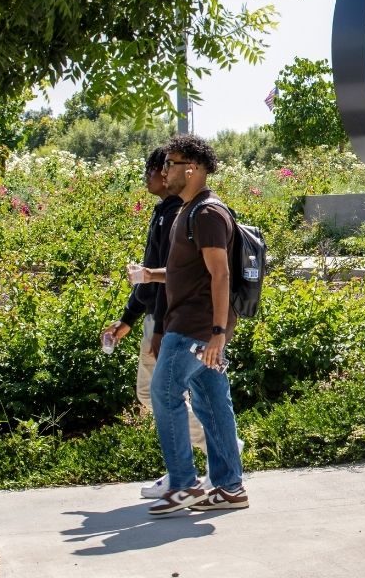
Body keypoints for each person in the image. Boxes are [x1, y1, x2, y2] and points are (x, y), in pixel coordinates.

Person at [133, 134, 248, 514]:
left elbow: (220, 275)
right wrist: (152, 275)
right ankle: (230, 487)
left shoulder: (208, 213)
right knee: (213, 403)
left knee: (165, 396)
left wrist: (217, 333)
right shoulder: (188, 210)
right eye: (164, 164)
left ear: (192, 168)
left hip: (195, 328)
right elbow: (190, 271)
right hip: (195, 325)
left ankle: (184, 484)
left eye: (171, 163)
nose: (164, 171)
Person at [102, 146, 209, 499]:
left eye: (153, 170)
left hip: (171, 322)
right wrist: (128, 318)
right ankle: (188, 466)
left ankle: (212, 451)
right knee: (160, 395)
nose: (149, 178)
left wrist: (162, 328)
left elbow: (171, 278)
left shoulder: (177, 213)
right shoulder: (164, 213)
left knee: (158, 394)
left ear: (165, 173)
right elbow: (149, 279)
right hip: (158, 319)